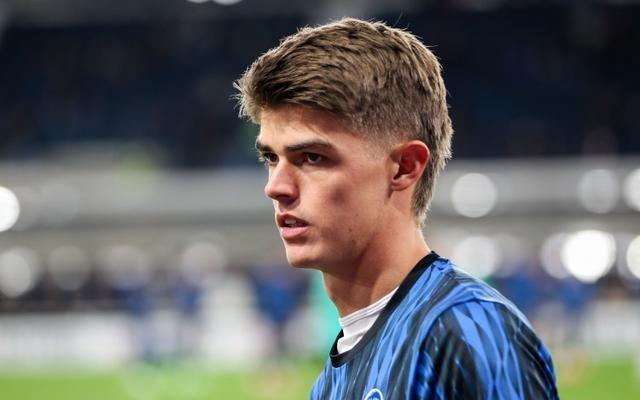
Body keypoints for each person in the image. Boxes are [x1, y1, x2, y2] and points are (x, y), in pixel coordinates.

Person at [235, 17, 558, 400]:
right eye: (271, 159)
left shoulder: (468, 332)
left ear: (405, 167)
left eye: (312, 157)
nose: (275, 187)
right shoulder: (330, 382)